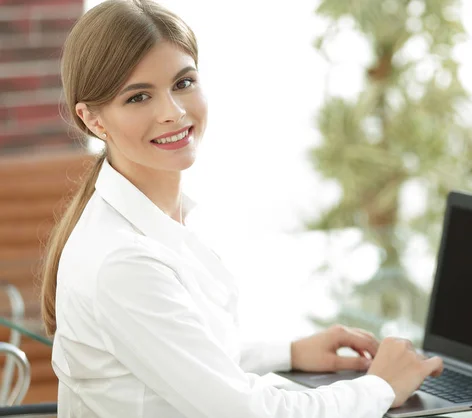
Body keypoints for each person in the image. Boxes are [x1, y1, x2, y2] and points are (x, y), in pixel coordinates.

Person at [39, 1, 444, 417]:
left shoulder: (153, 219)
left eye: (183, 83)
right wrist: (380, 387)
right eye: (138, 97)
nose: (173, 113)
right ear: (92, 119)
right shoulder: (123, 261)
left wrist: (289, 352)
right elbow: (247, 412)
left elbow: (183, 357)